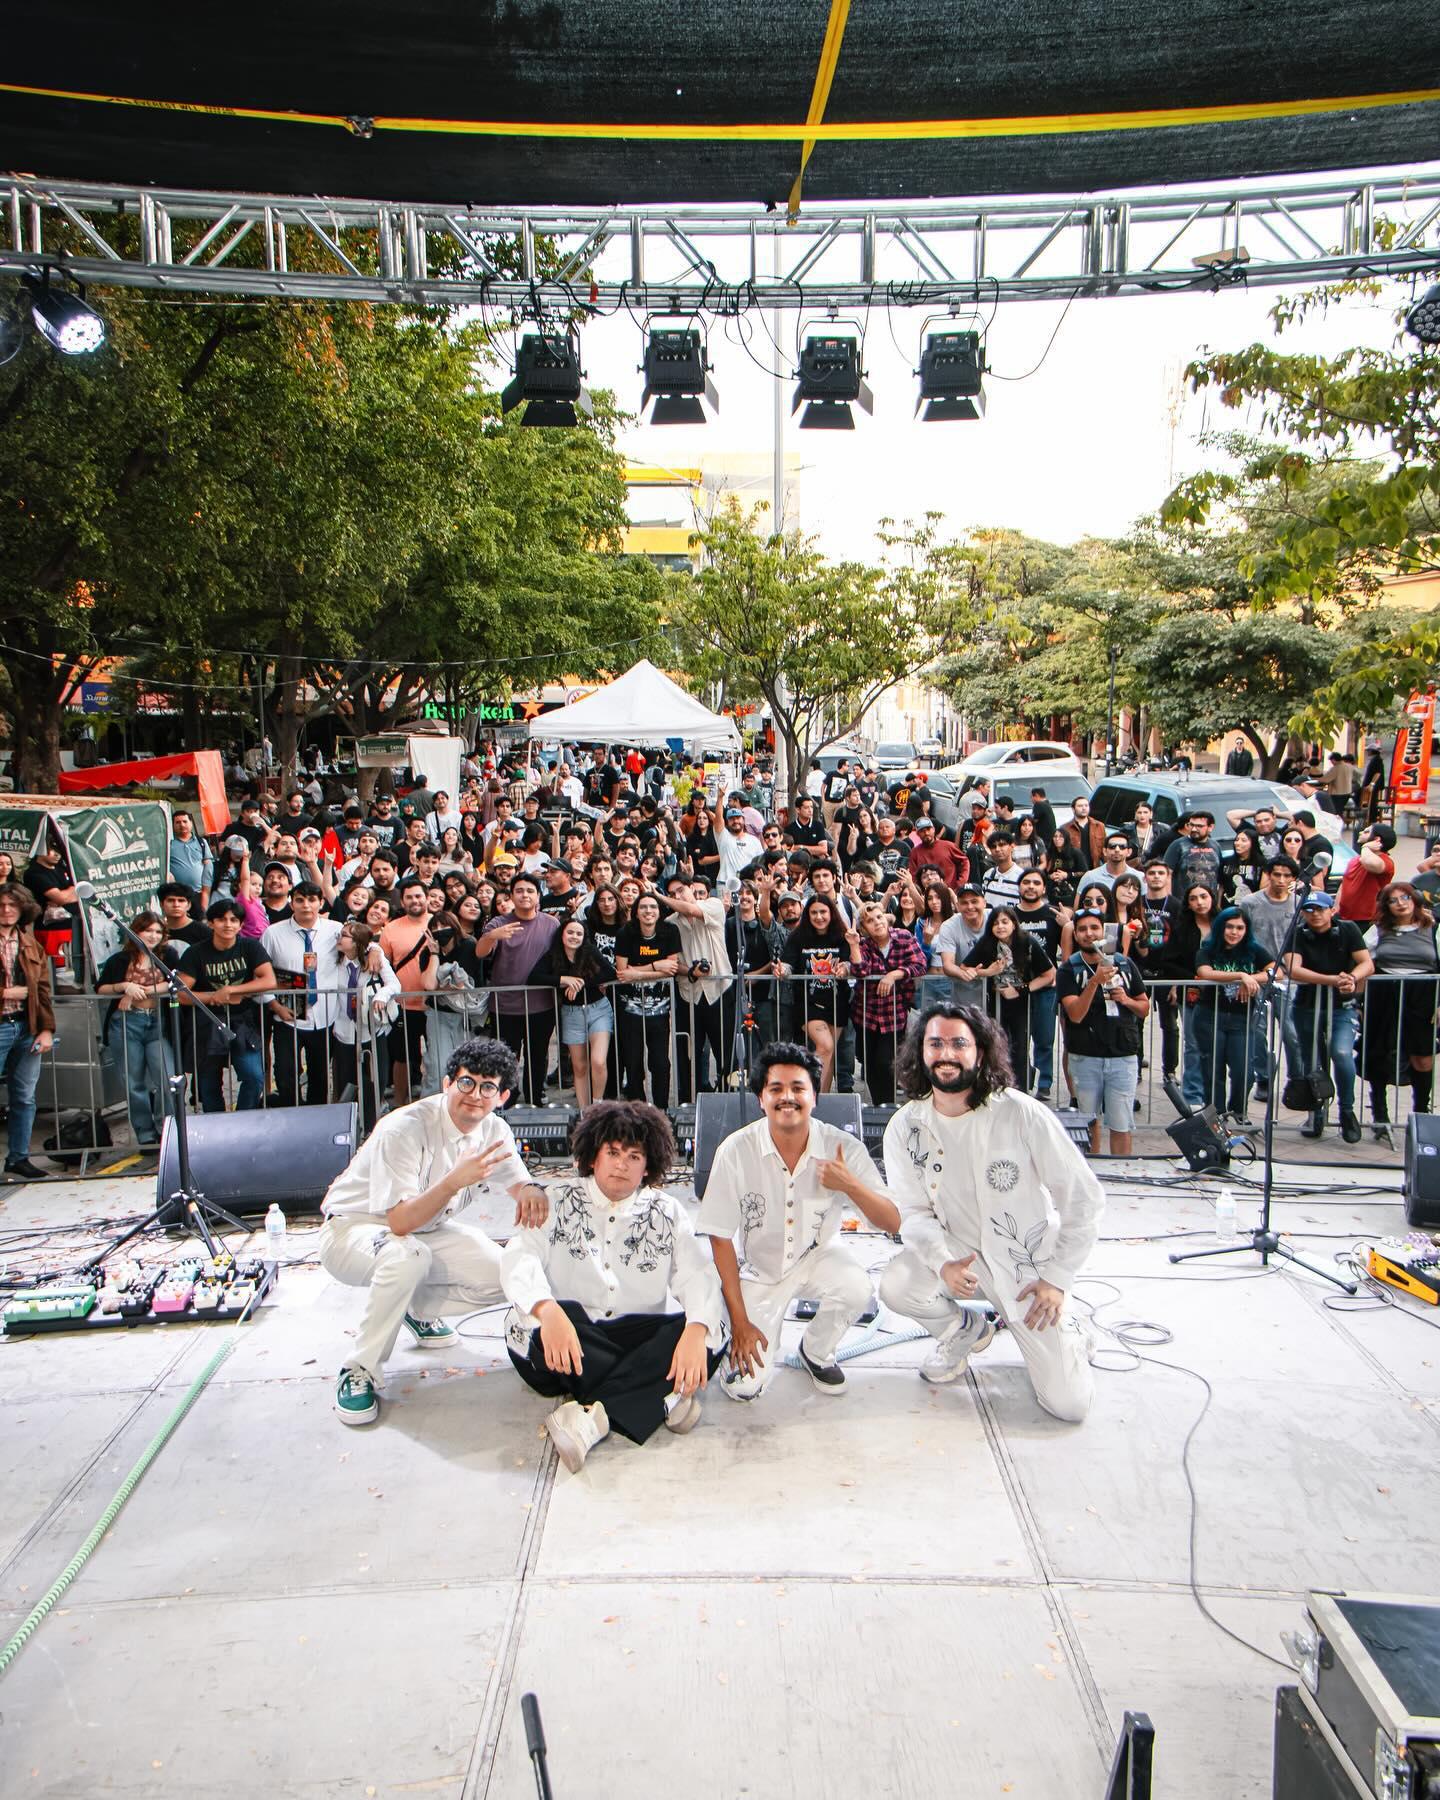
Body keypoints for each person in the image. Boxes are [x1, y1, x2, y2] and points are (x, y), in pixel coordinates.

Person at [878, 1004, 1101, 1420]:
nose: (947, 1053)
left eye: (959, 1043)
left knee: (1069, 1406)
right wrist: (943, 1264)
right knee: (897, 1284)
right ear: (920, 1052)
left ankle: (1069, 1330)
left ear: (980, 1052)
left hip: (1027, 1269)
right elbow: (912, 1213)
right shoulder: (904, 1127)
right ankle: (963, 1331)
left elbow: (1083, 1199)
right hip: (961, 1256)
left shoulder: (1020, 1112)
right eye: (936, 1043)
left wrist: (1057, 1278)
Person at [319, 1039, 548, 1426]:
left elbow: (520, 1185)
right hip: (355, 1230)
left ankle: (413, 1309)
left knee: (510, 1272)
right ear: (446, 1084)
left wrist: (532, 1191)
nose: (475, 1096)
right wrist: (453, 1181)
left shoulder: (494, 1129)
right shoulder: (404, 1128)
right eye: (466, 1083)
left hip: (424, 1231)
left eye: (487, 1087)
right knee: (408, 1257)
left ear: (502, 1095)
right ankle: (359, 1370)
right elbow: (398, 1223)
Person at [500, 1101, 724, 1470]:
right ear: (593, 1157)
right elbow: (518, 1259)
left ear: (648, 1165)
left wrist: (696, 1331)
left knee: (713, 1328)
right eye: (613, 1153)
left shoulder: (667, 1211)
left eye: (634, 1156)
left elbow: (696, 1275)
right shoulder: (554, 1201)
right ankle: (661, 1396)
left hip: (627, 1334)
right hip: (565, 1339)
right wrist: (547, 1310)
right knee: (534, 1321)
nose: (622, 1164)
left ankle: (593, 1418)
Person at [697, 1041, 897, 1398]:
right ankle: (733, 1331)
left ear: (815, 1097)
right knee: (744, 1389)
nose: (787, 1097)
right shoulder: (735, 1150)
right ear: (761, 1098)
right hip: (761, 1268)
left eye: (798, 1088)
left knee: (856, 1288)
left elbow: (893, 1222)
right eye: (775, 1089)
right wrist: (741, 1323)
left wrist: (849, 1184)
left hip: (819, 1256)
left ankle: (816, 1351)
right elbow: (719, 1237)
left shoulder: (842, 1147)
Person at [1058, 911, 1150, 1155]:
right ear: (1075, 935)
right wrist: (1094, 982)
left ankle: (1121, 1175)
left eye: (1094, 928)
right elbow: (1075, 1014)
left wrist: (1127, 1000)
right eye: (1083, 929)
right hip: (1085, 1056)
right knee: (1088, 1123)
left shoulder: (1124, 963)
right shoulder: (1069, 969)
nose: (1090, 934)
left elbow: (1144, 1008)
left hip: (1122, 1056)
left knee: (1121, 1124)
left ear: (1103, 931)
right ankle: (1093, 1178)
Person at [1284, 892, 1373, 1142]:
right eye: (1309, 909)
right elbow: (1293, 968)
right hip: (1307, 1006)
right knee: (1314, 1061)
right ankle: (1317, 1111)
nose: (1315, 914)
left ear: (1332, 910)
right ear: (1302, 912)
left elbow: (1367, 963)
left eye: (1320, 909)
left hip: (1341, 1007)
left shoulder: (1347, 929)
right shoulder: (1298, 933)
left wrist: (1352, 978)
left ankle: (1347, 1111)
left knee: (1342, 1054)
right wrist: (1332, 980)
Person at [175, 897, 277, 1113]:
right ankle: (217, 1125)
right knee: (209, 1083)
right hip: (207, 1022)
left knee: (254, 1076)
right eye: (221, 919)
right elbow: (182, 994)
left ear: (241, 925)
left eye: (233, 920)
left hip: (242, 1021)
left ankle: (241, 1120)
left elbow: (269, 980)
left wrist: (232, 990)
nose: (228, 924)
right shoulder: (196, 952)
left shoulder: (250, 946)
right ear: (210, 923)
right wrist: (214, 996)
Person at [95, 910, 181, 1148]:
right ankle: (145, 1134)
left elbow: (175, 982)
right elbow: (100, 988)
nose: (153, 936)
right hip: (125, 1023)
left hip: (156, 1021)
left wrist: (141, 992)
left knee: (166, 1078)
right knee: (133, 1082)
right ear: (135, 931)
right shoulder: (120, 960)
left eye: (158, 931)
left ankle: (168, 1129)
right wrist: (124, 987)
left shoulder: (168, 955)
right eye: (148, 930)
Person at [1362, 883, 1439, 1147]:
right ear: (1387, 906)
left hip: (1423, 995)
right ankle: (1380, 1115)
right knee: (1379, 1052)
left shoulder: (1433, 927)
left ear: (1415, 900)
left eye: (1405, 897)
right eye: (1393, 900)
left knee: (1422, 1056)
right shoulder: (1379, 930)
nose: (1401, 903)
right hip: (1385, 993)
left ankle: (1421, 1113)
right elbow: (1362, 959)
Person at [474, 874, 561, 1107]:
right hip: (505, 1005)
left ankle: (534, 1096)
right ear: (511, 896)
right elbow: (480, 953)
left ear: (538, 896)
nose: (525, 895)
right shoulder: (498, 923)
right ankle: (508, 1097)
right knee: (508, 1055)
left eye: (530, 891)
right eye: (520, 891)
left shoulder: (551, 924)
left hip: (541, 1004)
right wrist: (492, 937)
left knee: (538, 1054)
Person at [1193, 907, 1272, 1123]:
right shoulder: (1207, 949)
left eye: (1240, 928)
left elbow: (1276, 970)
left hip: (1242, 1018)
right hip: (1210, 1016)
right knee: (1212, 1068)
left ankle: (1238, 1109)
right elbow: (1205, 972)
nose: (1234, 932)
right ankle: (1215, 1113)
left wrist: (1253, 978)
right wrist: (1241, 976)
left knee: (1243, 1070)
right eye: (1230, 927)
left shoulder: (1254, 949)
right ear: (1221, 927)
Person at [0, 883, 57, 1179]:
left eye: (13, 905)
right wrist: (7, 993)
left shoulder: (30, 944)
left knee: (24, 1096)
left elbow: (43, 991)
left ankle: (18, 1158)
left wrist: (46, 1029)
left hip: (26, 1025)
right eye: (2, 905)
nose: (7, 910)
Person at [850, 900, 928, 1104]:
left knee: (886, 1062)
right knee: (867, 1061)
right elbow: (860, 971)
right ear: (863, 928)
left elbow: (920, 964)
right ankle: (878, 1103)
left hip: (894, 1014)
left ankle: (887, 1103)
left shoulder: (903, 937)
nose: (877, 922)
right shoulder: (864, 946)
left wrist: (895, 974)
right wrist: (853, 945)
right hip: (866, 1014)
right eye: (869, 921)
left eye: (878, 917)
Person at [970, 905, 1055, 1091]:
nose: (1000, 927)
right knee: (995, 1046)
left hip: (1021, 1003)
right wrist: (987, 972)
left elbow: (1049, 974)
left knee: (1020, 1049)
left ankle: (1022, 1091)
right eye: (995, 923)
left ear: (1014, 924)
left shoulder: (1027, 942)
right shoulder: (987, 943)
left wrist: (1021, 990)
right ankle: (997, 1088)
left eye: (1005, 922)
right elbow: (965, 967)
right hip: (994, 1002)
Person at [778, 894, 854, 1093]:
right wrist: (781, 971)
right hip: (808, 1003)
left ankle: (824, 1099)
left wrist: (843, 970)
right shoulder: (798, 936)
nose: (819, 916)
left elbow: (848, 963)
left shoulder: (842, 935)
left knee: (827, 1053)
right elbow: (787, 965)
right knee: (825, 1046)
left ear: (831, 913)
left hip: (838, 1001)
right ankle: (810, 1095)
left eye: (823, 912)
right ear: (807, 914)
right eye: (814, 912)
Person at [328, 920, 400, 1129]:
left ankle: (370, 1126)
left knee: (373, 1081)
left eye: (344, 935)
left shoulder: (373, 960)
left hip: (371, 1030)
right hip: (344, 1030)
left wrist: (382, 996)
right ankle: (346, 1126)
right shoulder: (337, 960)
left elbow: (394, 984)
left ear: (357, 941)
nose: (339, 939)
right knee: (345, 1081)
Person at [613, 892, 683, 1107]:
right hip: (630, 1010)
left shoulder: (670, 931)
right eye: (643, 907)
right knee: (633, 1063)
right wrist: (655, 966)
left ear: (660, 912)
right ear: (636, 912)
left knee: (660, 1063)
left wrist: (638, 973)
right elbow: (623, 973)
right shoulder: (626, 932)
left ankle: (662, 1108)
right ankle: (638, 1108)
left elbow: (671, 969)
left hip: (659, 1011)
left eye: (653, 907)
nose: (648, 911)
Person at [543, 918, 615, 1108]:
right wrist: (563, 979)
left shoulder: (589, 952)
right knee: (579, 1066)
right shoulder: (554, 955)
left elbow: (610, 973)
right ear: (562, 935)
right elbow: (535, 976)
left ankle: (597, 1105)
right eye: (570, 932)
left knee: (598, 1061)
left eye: (579, 933)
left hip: (598, 1009)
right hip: (571, 1014)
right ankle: (584, 1111)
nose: (574, 937)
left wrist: (580, 981)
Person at [1337, 822, 1396, 924]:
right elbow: (1343, 884)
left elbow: (1369, 863)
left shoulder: (1386, 861)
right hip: (1343, 915)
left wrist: (1366, 847)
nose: (1360, 833)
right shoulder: (1355, 859)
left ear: (1377, 840)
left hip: (1366, 918)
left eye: (1366, 832)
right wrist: (1336, 907)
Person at [1163, 811, 1222, 899]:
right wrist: (1169, 900)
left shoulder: (1215, 846)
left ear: (1210, 827)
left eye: (1199, 826)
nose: (1194, 829)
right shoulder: (1178, 845)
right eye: (1192, 825)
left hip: (1209, 903)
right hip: (1183, 903)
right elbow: (1166, 874)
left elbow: (1220, 878)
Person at [169, 812, 214, 909]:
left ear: (191, 823)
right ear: (173, 825)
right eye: (178, 822)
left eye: (185, 821)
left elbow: (208, 867)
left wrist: (205, 894)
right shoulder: (169, 843)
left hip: (199, 893)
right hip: (178, 895)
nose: (182, 825)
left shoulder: (201, 842)